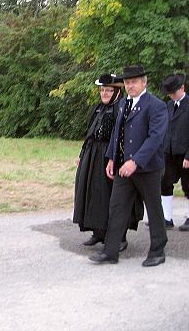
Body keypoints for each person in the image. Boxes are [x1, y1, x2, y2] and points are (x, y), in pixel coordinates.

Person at [90, 65, 168, 267]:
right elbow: (118, 133)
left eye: (134, 82)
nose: (130, 85)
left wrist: (135, 161)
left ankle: (158, 250)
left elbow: (155, 138)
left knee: (154, 208)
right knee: (116, 208)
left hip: (148, 168)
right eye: (127, 82)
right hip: (123, 168)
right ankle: (110, 251)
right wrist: (112, 158)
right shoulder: (124, 103)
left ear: (144, 82)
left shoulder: (156, 106)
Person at [73, 74, 142, 250]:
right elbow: (90, 133)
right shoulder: (99, 108)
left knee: (115, 197)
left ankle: (120, 237)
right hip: (94, 155)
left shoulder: (122, 108)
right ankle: (98, 232)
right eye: (102, 90)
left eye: (108, 90)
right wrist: (82, 155)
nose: (104, 93)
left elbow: (126, 136)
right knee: (94, 194)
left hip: (113, 156)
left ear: (117, 92)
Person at [161, 73, 189, 231]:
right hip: (168, 152)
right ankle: (166, 218)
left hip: (185, 154)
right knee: (164, 183)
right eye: (169, 93)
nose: (171, 96)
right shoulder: (169, 106)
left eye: (173, 92)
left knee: (188, 186)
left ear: (182, 88)